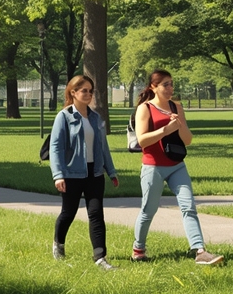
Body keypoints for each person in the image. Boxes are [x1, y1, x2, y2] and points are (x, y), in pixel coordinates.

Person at [132, 69, 223, 266]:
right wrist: (165, 130)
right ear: (153, 87)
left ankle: (199, 250)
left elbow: (188, 140)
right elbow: (142, 140)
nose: (170, 88)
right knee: (149, 209)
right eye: (166, 84)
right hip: (153, 166)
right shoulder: (145, 108)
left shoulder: (176, 107)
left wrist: (179, 124)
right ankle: (138, 249)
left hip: (177, 166)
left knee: (188, 206)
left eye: (172, 84)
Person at [49, 74, 120, 270]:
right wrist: (58, 175)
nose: (88, 94)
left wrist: (111, 171)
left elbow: (103, 147)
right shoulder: (64, 116)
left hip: (94, 173)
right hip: (71, 173)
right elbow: (56, 148)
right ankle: (58, 244)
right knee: (68, 213)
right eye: (84, 91)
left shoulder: (96, 117)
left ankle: (100, 257)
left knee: (96, 214)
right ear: (73, 93)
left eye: (90, 91)